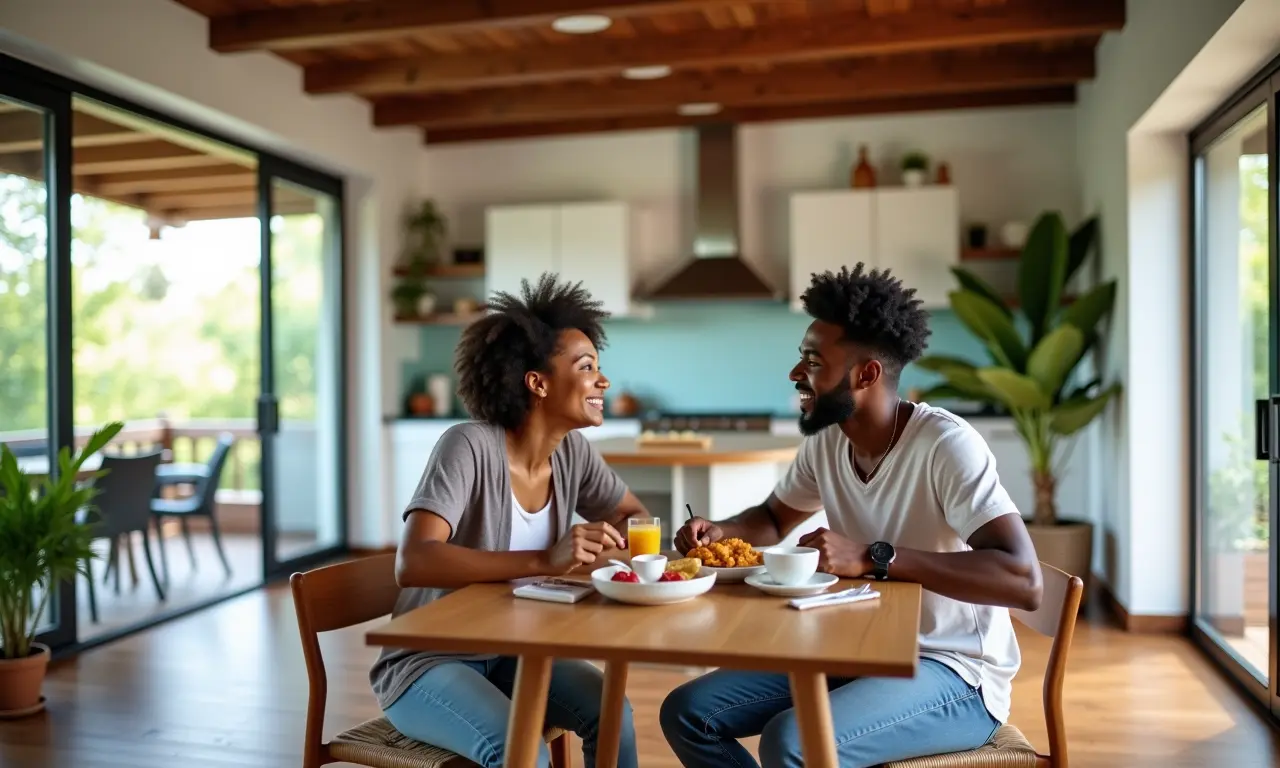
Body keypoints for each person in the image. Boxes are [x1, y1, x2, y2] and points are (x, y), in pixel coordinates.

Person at [660, 264, 1043, 768]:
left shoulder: (945, 446)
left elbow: (1023, 580)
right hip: (856, 649)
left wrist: (873, 556)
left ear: (866, 374)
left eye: (813, 361)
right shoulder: (827, 440)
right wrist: (721, 531)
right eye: (801, 358)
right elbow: (773, 519)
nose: (797, 373)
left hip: (956, 672)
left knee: (790, 741)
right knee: (688, 711)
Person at [369, 273, 648, 768]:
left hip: (512, 653)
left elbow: (634, 517)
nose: (603, 380)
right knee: (522, 755)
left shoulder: (573, 454)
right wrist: (546, 557)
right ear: (537, 382)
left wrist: (609, 542)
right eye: (586, 367)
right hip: (428, 663)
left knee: (614, 714)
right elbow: (413, 561)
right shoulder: (468, 446)